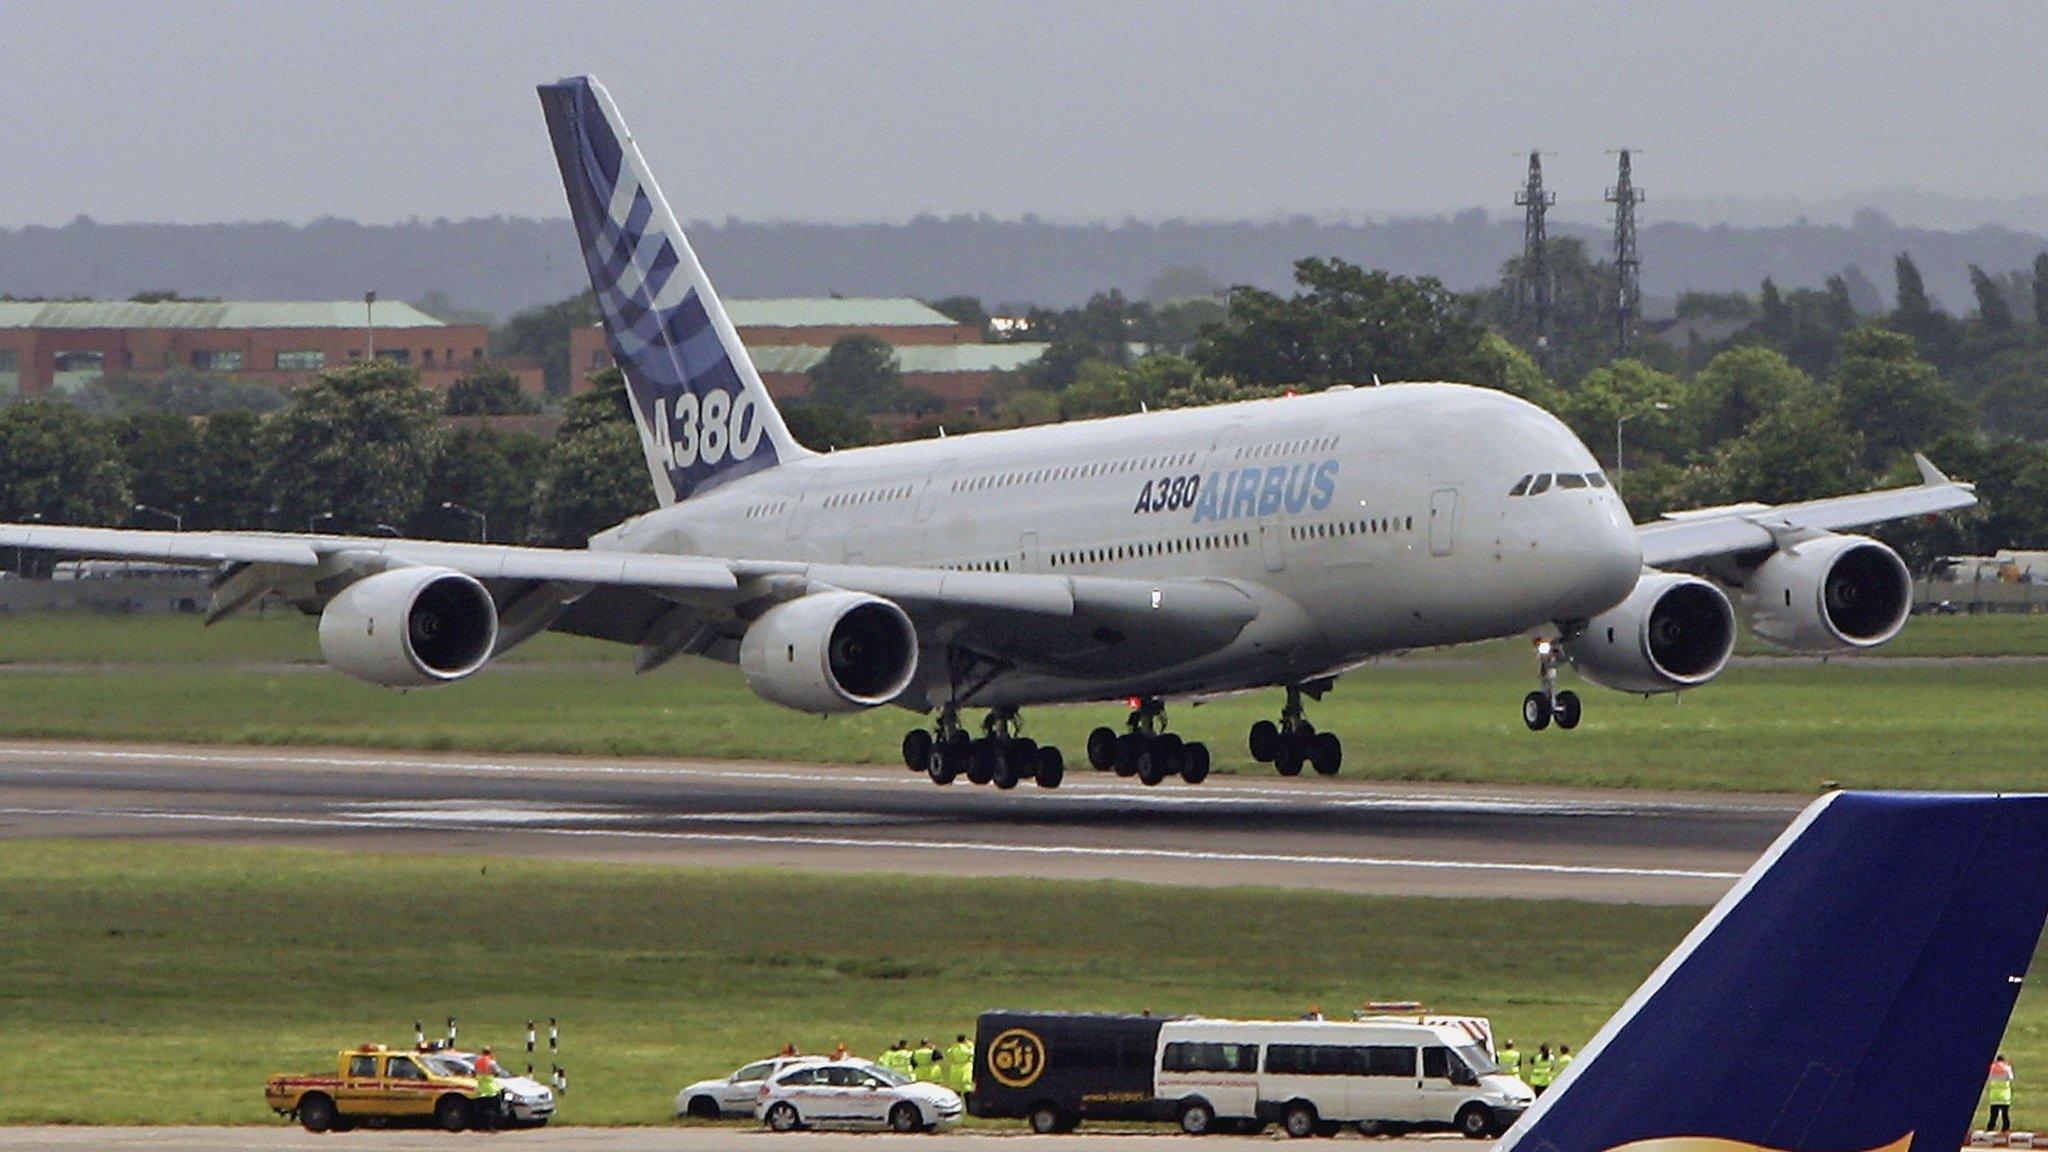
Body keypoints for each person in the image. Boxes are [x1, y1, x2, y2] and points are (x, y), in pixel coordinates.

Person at [473, 1046, 505, 1127]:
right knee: (493, 1110)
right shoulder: (491, 1062)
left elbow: (474, 1073)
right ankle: (491, 1126)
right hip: (491, 1090)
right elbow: (497, 1072)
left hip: (480, 1090)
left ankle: (480, 1125)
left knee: (480, 1111)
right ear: (489, 1053)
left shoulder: (477, 1061)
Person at [1989, 1054, 2015, 1132]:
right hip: (2004, 1096)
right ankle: (2005, 1130)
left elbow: (1990, 1078)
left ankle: (1990, 1129)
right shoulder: (2006, 1068)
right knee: (2005, 1115)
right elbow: (2011, 1078)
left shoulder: (1992, 1067)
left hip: (1994, 1096)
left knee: (1993, 1116)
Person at [944, 1033, 975, 1098]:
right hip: (966, 1067)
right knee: (967, 1086)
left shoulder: (954, 1048)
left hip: (955, 1068)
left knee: (956, 1087)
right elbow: (972, 1053)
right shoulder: (967, 1048)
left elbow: (949, 1054)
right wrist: (971, 1045)